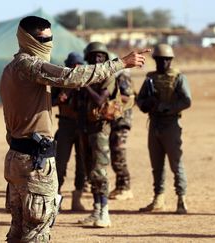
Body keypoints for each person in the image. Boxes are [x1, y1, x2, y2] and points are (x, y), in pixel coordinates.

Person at [0, 16, 148, 243]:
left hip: (18, 157)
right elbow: (71, 77)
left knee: (18, 232)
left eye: (51, 38)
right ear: (27, 39)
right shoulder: (29, 67)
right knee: (37, 232)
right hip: (34, 161)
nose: (48, 43)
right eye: (42, 38)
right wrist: (120, 63)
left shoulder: (10, 70)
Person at [136, 44, 191, 214]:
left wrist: (166, 107)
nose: (163, 63)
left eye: (166, 60)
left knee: (176, 164)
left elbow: (186, 101)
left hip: (171, 124)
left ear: (171, 60)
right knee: (157, 165)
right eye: (160, 60)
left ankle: (181, 199)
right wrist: (148, 104)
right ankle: (158, 198)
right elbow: (140, 100)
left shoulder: (178, 78)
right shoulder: (150, 79)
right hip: (154, 124)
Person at [75, 42, 115, 228]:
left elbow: (100, 100)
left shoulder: (108, 77)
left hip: (99, 129)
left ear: (105, 59)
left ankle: (104, 212)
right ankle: (96, 210)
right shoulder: (84, 76)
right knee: (90, 170)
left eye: (100, 56)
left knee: (100, 171)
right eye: (93, 56)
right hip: (85, 129)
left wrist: (84, 85)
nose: (97, 59)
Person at [53, 52, 86, 211]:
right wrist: (59, 99)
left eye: (78, 65)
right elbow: (49, 101)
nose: (75, 68)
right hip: (65, 126)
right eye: (72, 65)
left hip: (82, 126)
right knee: (59, 163)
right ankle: (56, 198)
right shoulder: (60, 83)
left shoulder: (86, 82)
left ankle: (77, 197)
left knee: (82, 164)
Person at [108, 69, 135, 201]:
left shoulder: (122, 76)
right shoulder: (118, 76)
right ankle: (120, 186)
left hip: (122, 122)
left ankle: (125, 188)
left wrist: (111, 98)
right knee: (115, 155)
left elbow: (127, 97)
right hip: (116, 122)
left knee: (119, 155)